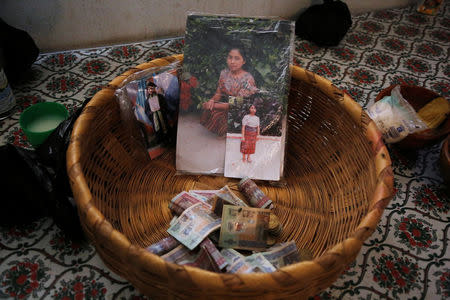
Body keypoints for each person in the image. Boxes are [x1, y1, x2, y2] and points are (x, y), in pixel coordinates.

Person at [201, 46, 258, 136]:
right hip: (227, 105)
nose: (232, 61)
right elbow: (218, 93)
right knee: (210, 108)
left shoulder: (248, 79)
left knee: (219, 116)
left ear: (244, 61)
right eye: (230, 57)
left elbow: (236, 103)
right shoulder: (224, 73)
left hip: (240, 110)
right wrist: (212, 100)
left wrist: (215, 106)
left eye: (237, 58)